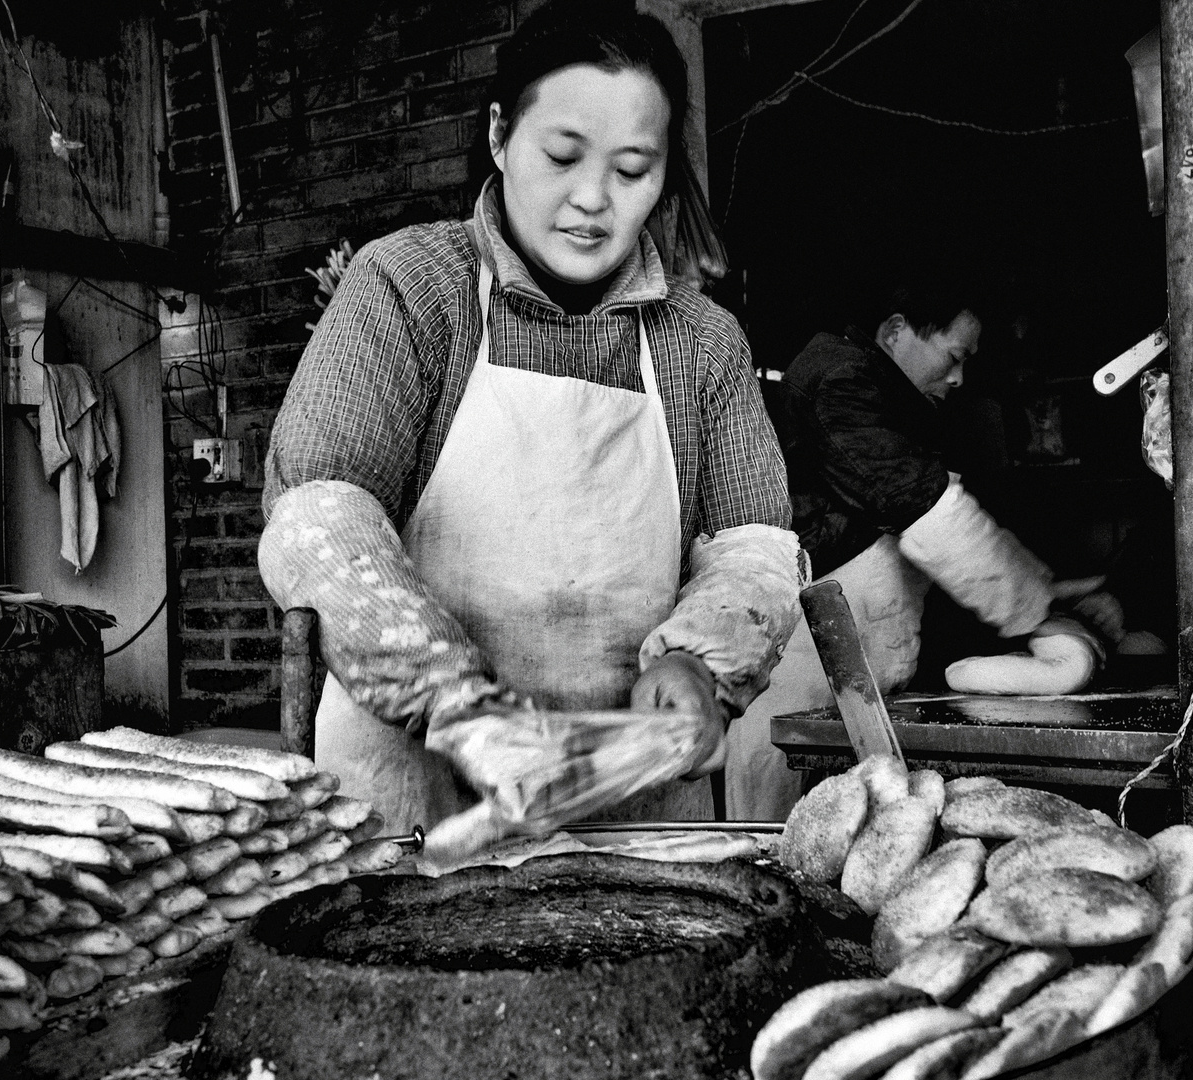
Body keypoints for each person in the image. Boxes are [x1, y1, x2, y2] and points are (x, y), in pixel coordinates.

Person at [257, 0, 804, 845]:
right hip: (416, 814)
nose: (593, 200)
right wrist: (466, 708)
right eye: (562, 155)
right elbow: (319, 515)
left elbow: (752, 547)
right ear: (500, 134)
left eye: (633, 170)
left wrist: (701, 662)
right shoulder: (412, 290)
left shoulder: (702, 341)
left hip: (636, 821)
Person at [726, 281, 1094, 820]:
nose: (958, 377)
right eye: (954, 356)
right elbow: (917, 504)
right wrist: (1037, 615)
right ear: (896, 331)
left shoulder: (892, 401)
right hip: (798, 673)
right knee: (783, 832)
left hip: (857, 681)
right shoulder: (838, 380)